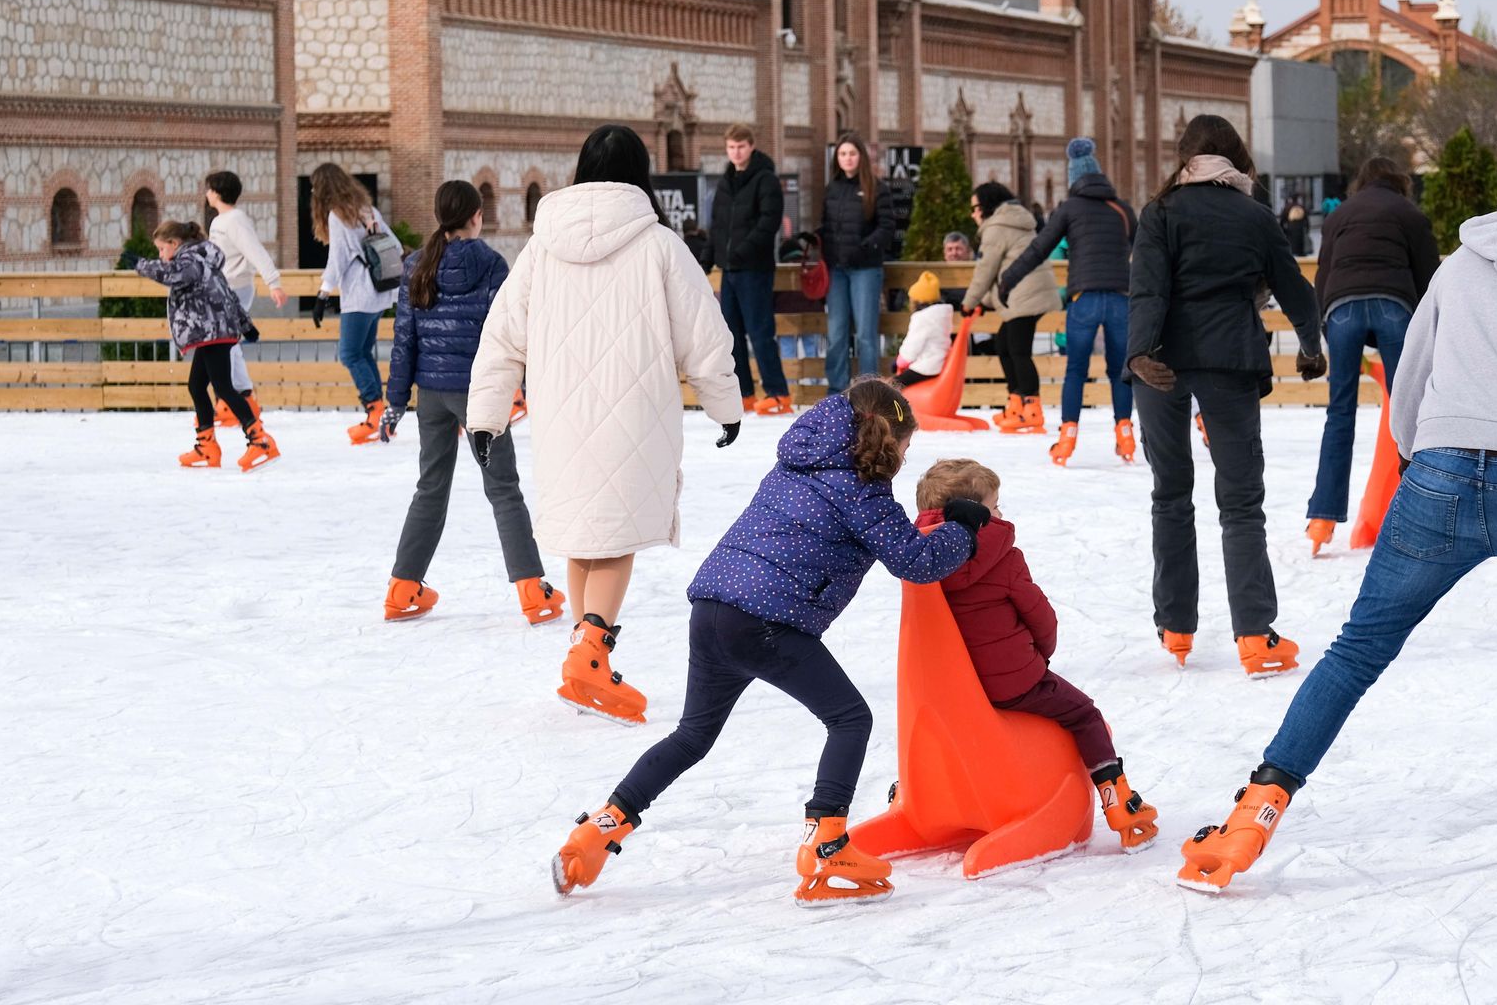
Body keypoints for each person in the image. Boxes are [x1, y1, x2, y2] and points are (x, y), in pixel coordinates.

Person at [1176, 130, 1497, 894]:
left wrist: (1427, 464)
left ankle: (1246, 821)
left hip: (1435, 476)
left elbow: (1410, 385)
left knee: (1357, 650)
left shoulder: (1461, 267)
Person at [552, 378, 988, 905]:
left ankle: (598, 829)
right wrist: (963, 526)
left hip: (714, 607)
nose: (904, 457)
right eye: (906, 447)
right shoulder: (863, 491)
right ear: (887, 441)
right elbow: (916, 562)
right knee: (851, 719)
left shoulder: (798, 460)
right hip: (766, 620)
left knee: (692, 736)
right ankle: (827, 844)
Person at [467, 124, 744, 726]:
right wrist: (725, 405)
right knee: (613, 534)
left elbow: (500, 338)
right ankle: (592, 652)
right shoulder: (661, 246)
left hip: (560, 412)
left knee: (582, 533)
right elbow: (706, 336)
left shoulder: (540, 250)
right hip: (636, 410)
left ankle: (583, 655)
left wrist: (486, 417)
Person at [1127, 114, 1325, 675]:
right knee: (1240, 503)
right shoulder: (1254, 215)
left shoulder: (1160, 212)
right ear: (1236, 157)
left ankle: (1176, 627)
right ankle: (1255, 635)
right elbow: (1296, 291)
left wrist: (1141, 353)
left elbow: (1147, 289)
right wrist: (1310, 346)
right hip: (1229, 362)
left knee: (1170, 493)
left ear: (1184, 157)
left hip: (1160, 363)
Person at [913, 458, 1160, 852]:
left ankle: (916, 793)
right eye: (994, 509)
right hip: (1011, 681)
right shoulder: (1004, 558)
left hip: (947, 690)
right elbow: (1041, 617)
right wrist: (1039, 657)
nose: (1001, 515)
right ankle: (1120, 802)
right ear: (977, 515)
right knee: (1085, 714)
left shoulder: (918, 562)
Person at [378, 180, 561, 627]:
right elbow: (516, 331)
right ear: (476, 216)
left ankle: (402, 589)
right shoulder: (494, 265)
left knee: (430, 487)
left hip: (433, 395)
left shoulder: (417, 266)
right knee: (502, 488)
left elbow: (405, 340)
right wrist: (531, 387)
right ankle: (532, 590)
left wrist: (395, 402)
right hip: (481, 392)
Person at [1303, 156, 1440, 554]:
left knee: (1339, 414)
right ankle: (1418, 516)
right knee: (1408, 415)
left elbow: (1322, 275)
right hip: (1393, 306)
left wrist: (1326, 329)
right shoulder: (1409, 213)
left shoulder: (1339, 215)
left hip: (1341, 309)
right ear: (1399, 183)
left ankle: (1322, 519)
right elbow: (1429, 278)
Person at [1000, 137, 1137, 466]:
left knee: (1076, 370)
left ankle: (1067, 439)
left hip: (1084, 299)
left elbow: (1038, 249)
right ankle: (1125, 435)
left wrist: (1009, 279)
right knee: (1119, 371)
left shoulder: (1070, 208)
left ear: (1074, 177)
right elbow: (1148, 251)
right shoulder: (1123, 209)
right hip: (1121, 298)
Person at [135, 221, 279, 473]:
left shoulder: (190, 261)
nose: (160, 256)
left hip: (213, 332)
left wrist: (141, 264)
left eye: (161, 249)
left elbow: (172, 275)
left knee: (223, 386)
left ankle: (260, 440)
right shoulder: (204, 260)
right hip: (212, 332)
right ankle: (207, 446)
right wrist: (245, 324)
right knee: (196, 385)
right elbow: (227, 294)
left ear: (174, 244)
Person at [962, 181, 1061, 434]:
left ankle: (1031, 410)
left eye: (974, 208)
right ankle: (1016, 405)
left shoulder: (997, 227)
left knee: (1018, 350)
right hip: (1024, 290)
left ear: (986, 207)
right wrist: (984, 303)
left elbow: (986, 271)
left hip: (1025, 293)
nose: (972, 213)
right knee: (1005, 344)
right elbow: (1003, 270)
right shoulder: (1013, 221)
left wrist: (968, 303)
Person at [310, 163, 397, 445]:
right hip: (380, 293)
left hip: (359, 295)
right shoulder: (368, 211)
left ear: (323, 189)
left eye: (314, 186)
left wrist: (323, 295)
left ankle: (374, 412)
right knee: (363, 352)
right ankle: (382, 416)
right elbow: (394, 245)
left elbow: (338, 259)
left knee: (349, 353)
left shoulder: (338, 216)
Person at [710, 123, 792, 416]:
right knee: (731, 333)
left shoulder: (765, 179)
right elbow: (718, 224)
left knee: (760, 332)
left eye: (741, 147)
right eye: (731, 147)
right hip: (730, 270)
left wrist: (742, 251)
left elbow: (768, 222)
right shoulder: (726, 181)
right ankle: (744, 393)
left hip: (754, 268)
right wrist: (711, 256)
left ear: (751, 146)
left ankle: (778, 393)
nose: (736, 152)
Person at [204, 170, 283, 429]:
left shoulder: (235, 220)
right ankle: (234, 399)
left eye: (209, 189)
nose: (206, 193)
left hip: (236, 288)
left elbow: (255, 251)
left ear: (216, 192)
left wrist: (273, 283)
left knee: (227, 343)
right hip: (223, 289)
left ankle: (244, 397)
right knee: (225, 343)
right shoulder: (220, 221)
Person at [818, 131, 894, 392]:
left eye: (852, 153)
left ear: (860, 156)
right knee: (837, 333)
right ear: (836, 158)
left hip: (865, 269)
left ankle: (869, 390)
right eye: (842, 154)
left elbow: (886, 228)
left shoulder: (876, 188)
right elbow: (826, 226)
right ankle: (836, 390)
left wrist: (864, 248)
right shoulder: (832, 190)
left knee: (865, 334)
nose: (847, 158)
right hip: (836, 270)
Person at [894, 271, 952, 387]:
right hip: (940, 363)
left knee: (891, 386)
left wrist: (900, 361)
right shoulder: (941, 316)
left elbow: (912, 346)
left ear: (919, 301)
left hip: (926, 367)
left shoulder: (922, 319)